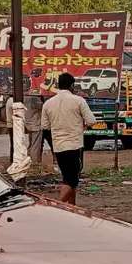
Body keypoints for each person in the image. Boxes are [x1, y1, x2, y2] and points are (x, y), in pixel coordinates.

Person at [41, 72, 96, 205]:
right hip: (74, 146)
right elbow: (91, 121)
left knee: (67, 177)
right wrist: (82, 125)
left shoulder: (48, 103)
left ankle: (72, 208)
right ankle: (57, 205)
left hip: (59, 147)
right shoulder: (78, 100)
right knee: (72, 180)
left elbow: (45, 126)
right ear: (72, 85)